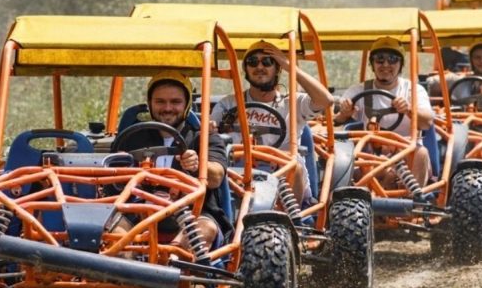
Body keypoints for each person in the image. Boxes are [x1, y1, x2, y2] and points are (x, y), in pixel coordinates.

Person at [113, 70, 230, 251]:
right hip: (136, 211)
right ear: (150, 104)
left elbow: (216, 177)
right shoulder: (130, 139)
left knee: (200, 232)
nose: (167, 108)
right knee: (114, 235)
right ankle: (126, 275)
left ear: (187, 105)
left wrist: (199, 165)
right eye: (160, 101)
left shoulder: (205, 139)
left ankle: (182, 273)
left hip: (195, 213)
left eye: (175, 102)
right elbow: (112, 180)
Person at [211, 40, 333, 204]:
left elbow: (326, 100)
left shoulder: (293, 102)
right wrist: (211, 127)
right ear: (246, 70)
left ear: (277, 69)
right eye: (252, 62)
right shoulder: (228, 103)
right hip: (237, 170)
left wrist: (290, 66)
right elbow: (209, 128)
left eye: (267, 62)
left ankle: (289, 220)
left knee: (293, 166)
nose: (259, 67)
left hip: (283, 172)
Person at [334, 36, 434, 195]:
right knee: (340, 157)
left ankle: (414, 207)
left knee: (421, 153)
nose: (386, 65)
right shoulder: (359, 90)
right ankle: (349, 201)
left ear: (401, 64)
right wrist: (344, 113)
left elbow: (427, 122)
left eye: (393, 59)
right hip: (369, 153)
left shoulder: (413, 90)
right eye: (380, 60)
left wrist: (408, 110)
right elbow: (337, 121)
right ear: (372, 64)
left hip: (406, 152)